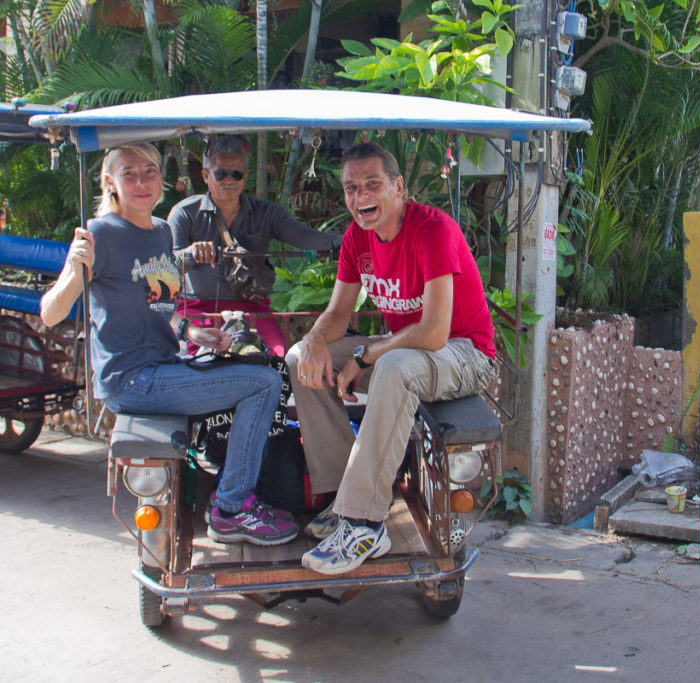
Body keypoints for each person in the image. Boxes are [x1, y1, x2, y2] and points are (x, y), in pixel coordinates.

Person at [40, 143, 297, 546]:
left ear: (163, 178)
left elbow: (162, 305)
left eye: (150, 171)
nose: (141, 182)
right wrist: (75, 271)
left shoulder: (160, 231)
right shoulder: (101, 234)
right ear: (110, 182)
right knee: (262, 383)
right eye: (129, 174)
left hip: (165, 366)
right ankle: (232, 507)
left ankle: (228, 489)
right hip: (132, 379)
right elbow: (50, 314)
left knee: (262, 369)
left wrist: (193, 334)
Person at [286, 142, 497, 575]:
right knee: (298, 359)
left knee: (393, 366)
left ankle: (365, 523)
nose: (360, 196)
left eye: (372, 184)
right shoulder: (356, 238)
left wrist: (366, 356)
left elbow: (435, 332)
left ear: (398, 187)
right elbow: (338, 315)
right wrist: (312, 341)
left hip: (465, 352)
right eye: (350, 187)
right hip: (408, 348)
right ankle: (341, 498)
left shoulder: (432, 230)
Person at [169, 135, 342, 356]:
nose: (229, 180)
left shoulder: (266, 213)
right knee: (202, 363)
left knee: (275, 360)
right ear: (205, 175)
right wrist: (190, 254)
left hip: (251, 310)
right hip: (198, 310)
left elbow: (308, 238)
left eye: (237, 174)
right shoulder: (184, 213)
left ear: (246, 175)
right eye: (221, 174)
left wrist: (354, 242)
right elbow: (167, 268)